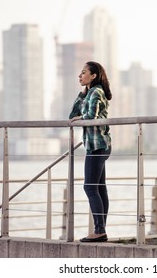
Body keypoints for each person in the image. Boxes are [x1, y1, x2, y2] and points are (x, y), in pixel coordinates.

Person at [68, 61, 112, 243]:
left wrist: (81, 117)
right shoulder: (89, 93)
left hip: (98, 145)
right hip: (96, 145)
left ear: (93, 75)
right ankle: (101, 228)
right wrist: (81, 94)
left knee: (90, 187)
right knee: (99, 188)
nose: (80, 75)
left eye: (83, 72)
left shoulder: (97, 92)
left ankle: (99, 230)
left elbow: (91, 117)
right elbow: (72, 116)